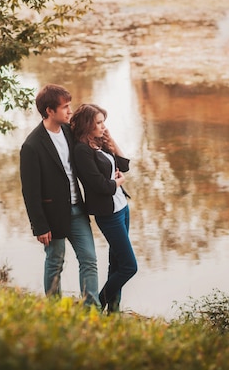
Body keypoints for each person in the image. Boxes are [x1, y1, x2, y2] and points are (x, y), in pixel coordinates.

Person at [19, 84, 100, 308]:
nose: (69, 111)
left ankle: (91, 309)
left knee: (89, 259)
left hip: (77, 210)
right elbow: (30, 191)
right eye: (65, 107)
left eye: (69, 106)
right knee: (55, 262)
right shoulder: (32, 146)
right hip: (52, 215)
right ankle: (54, 309)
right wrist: (40, 226)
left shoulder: (68, 132)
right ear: (49, 111)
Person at [70, 103, 137, 313]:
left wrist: (110, 138)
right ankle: (95, 305)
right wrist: (118, 182)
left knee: (116, 264)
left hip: (122, 207)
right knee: (129, 266)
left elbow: (124, 164)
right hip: (108, 214)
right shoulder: (82, 151)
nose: (102, 126)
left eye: (103, 122)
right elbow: (99, 186)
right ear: (87, 124)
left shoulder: (98, 142)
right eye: (98, 123)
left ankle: (113, 312)